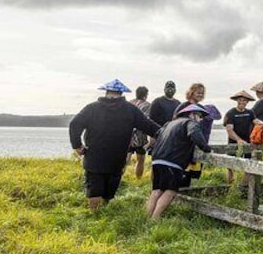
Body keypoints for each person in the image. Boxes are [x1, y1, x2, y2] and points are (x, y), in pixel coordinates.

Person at [69, 79, 160, 211]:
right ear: (121, 93)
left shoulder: (92, 108)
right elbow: (149, 126)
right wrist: (167, 132)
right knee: (109, 192)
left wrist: (77, 145)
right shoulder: (130, 109)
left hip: (95, 157)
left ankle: (96, 216)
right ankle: (103, 213)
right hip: (117, 157)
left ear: (106, 92)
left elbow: (74, 124)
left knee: (94, 190)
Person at [145, 104, 212, 219]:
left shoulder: (168, 124)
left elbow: (157, 135)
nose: (200, 119)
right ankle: (155, 218)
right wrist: (207, 148)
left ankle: (146, 217)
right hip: (173, 161)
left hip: (157, 159)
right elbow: (195, 136)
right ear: (192, 114)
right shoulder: (190, 123)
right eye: (199, 116)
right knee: (170, 191)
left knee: (157, 189)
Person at [173, 83, 218, 185]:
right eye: (198, 92)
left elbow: (204, 127)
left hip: (195, 144)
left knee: (191, 176)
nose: (200, 95)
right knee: (181, 173)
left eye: (202, 93)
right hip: (183, 144)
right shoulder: (183, 106)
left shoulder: (201, 108)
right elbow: (174, 123)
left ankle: (186, 196)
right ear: (191, 92)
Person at [224, 90, 255, 186]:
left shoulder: (250, 112)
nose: (242, 102)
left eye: (245, 100)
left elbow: (256, 121)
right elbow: (229, 130)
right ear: (237, 100)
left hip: (247, 142)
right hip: (233, 143)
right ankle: (230, 186)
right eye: (240, 100)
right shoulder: (231, 113)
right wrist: (238, 140)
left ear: (247, 102)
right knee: (230, 166)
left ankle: (244, 186)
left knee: (248, 165)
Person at [128, 86, 151, 179]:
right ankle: (138, 179)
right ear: (145, 95)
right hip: (140, 136)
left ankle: (118, 178)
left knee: (125, 159)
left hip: (127, 135)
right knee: (140, 160)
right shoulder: (147, 105)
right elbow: (146, 121)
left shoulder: (129, 103)